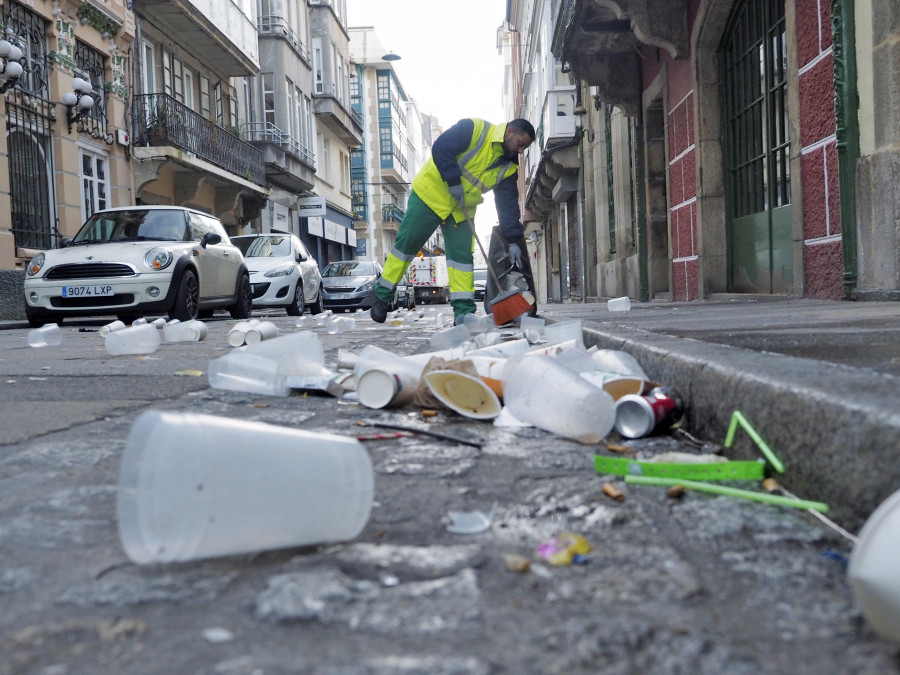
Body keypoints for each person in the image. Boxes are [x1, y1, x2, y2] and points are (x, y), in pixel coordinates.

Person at [370, 117, 536, 324]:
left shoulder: (509, 168)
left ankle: (463, 313)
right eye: (521, 144)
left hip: (461, 208)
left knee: (462, 261)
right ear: (510, 131)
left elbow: (508, 206)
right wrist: (453, 179)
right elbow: (442, 147)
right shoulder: (475, 129)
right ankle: (382, 295)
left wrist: (513, 239)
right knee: (406, 246)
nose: (521, 151)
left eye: (525, 148)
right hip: (429, 196)